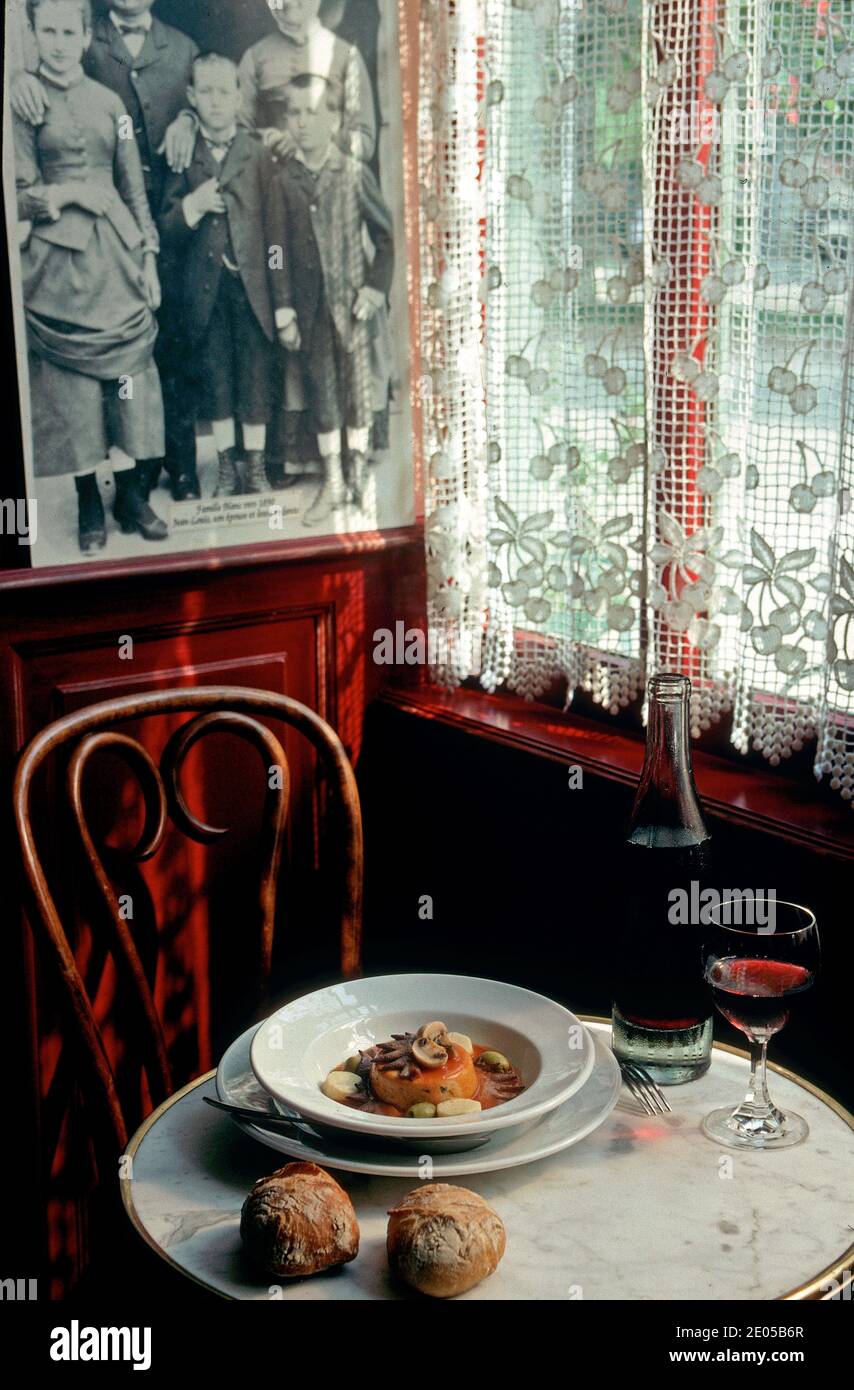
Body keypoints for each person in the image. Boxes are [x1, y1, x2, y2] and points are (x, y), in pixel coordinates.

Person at [11, 0, 202, 503]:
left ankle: (131, 494)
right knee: (72, 387)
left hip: (118, 254)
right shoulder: (24, 104)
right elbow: (18, 196)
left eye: (66, 32)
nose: (58, 42)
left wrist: (146, 255)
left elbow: (131, 183)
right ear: (33, 35)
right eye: (46, 31)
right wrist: (70, 194)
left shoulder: (111, 105)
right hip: (59, 265)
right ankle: (89, 503)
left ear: (82, 37)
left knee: (128, 379)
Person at [266, 74, 393, 526]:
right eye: (294, 113)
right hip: (310, 310)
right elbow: (275, 249)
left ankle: (358, 475)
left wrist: (375, 289)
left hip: (353, 305)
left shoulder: (354, 173)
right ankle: (333, 480)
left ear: (335, 119)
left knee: (356, 394)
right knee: (323, 395)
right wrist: (284, 307)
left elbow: (385, 237)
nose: (302, 123)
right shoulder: (283, 181)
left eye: (314, 112)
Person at [158, 54, 276, 497]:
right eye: (205, 91)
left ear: (239, 96)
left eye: (225, 91)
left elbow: (276, 232)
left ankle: (257, 467)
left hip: (253, 292)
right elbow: (165, 225)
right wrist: (194, 205)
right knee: (218, 379)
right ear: (191, 96)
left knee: (255, 378)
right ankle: (227, 467)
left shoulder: (257, 153)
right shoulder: (184, 155)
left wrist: (276, 280)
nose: (216, 101)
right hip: (205, 294)